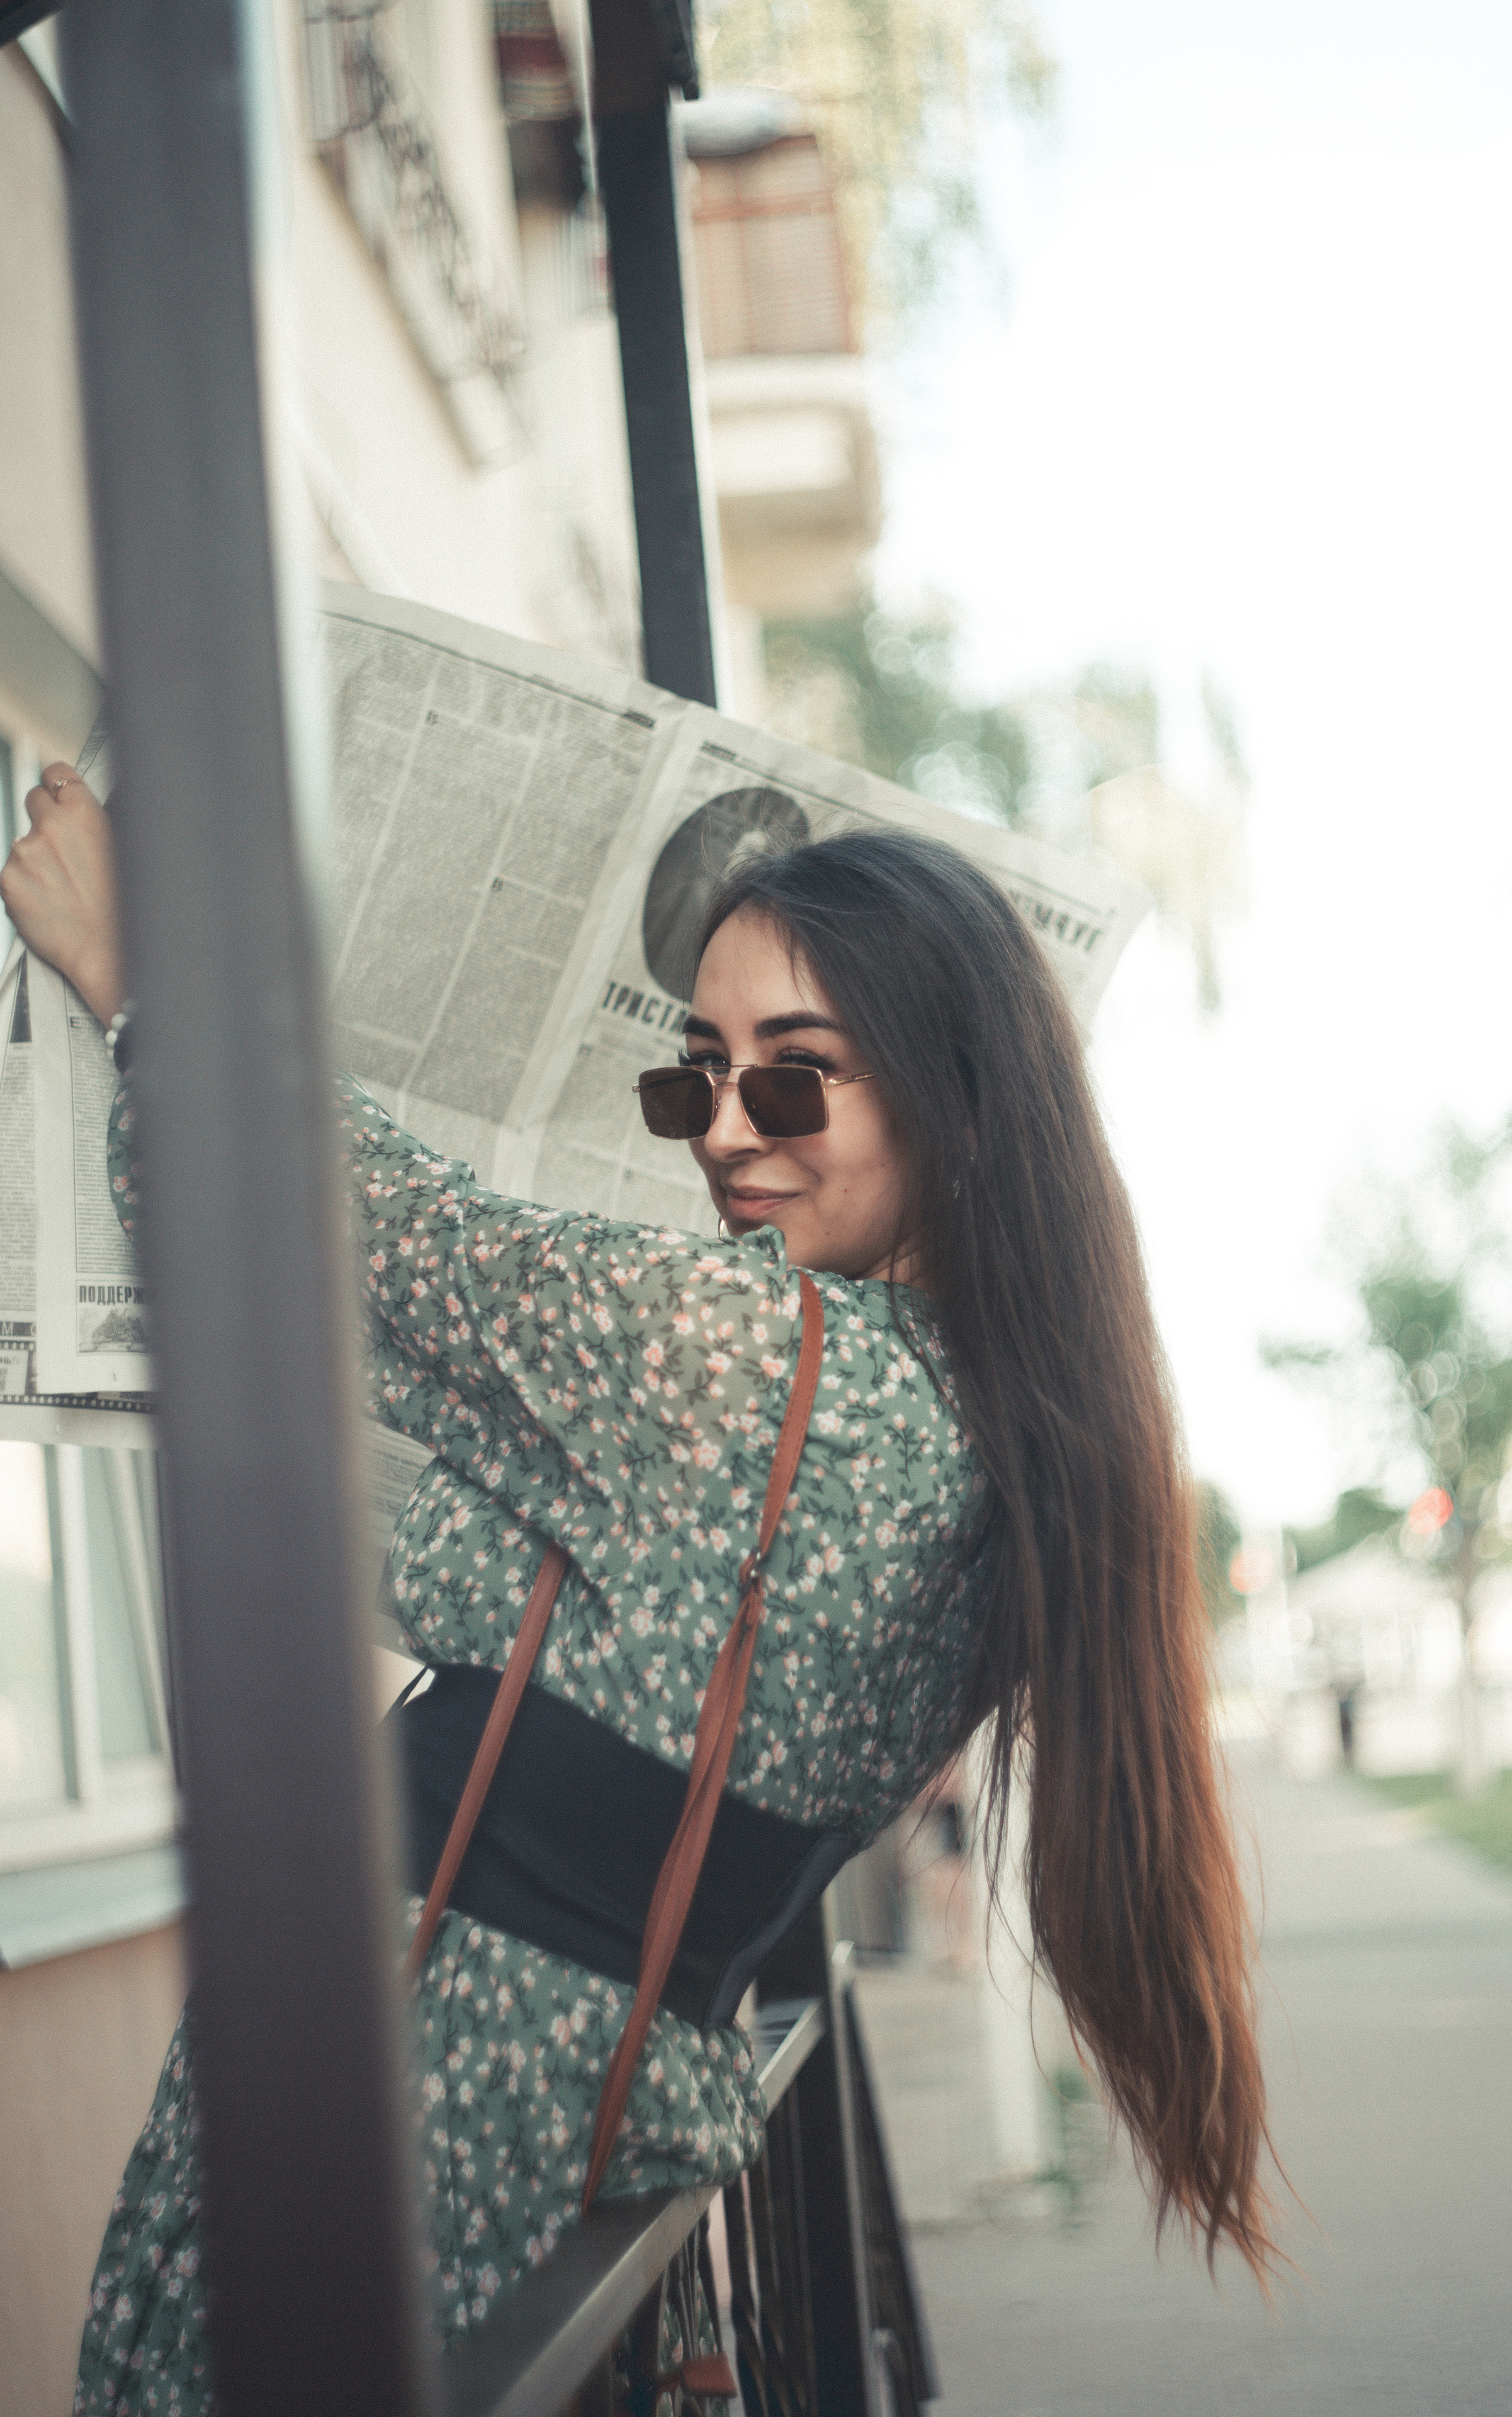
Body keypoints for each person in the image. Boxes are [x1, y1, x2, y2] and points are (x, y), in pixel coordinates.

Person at [3, 767, 1277, 2414]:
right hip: (547, 2129)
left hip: (405, 2114)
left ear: (951, 1100)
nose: (730, 1134)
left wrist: (137, 978)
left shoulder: (764, 1358)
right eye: (696, 1084)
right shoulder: (979, 1418)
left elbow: (383, 1232)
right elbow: (460, 1574)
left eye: (797, 1084)